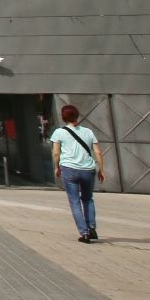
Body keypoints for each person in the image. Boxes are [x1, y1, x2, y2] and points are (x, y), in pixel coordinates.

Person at [50, 103, 107, 243]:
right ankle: (92, 227)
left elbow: (56, 153)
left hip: (69, 169)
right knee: (88, 199)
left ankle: (84, 232)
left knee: (74, 202)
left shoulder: (59, 132)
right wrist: (101, 170)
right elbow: (98, 152)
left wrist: (56, 167)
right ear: (77, 115)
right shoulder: (88, 132)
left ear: (63, 117)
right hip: (88, 169)